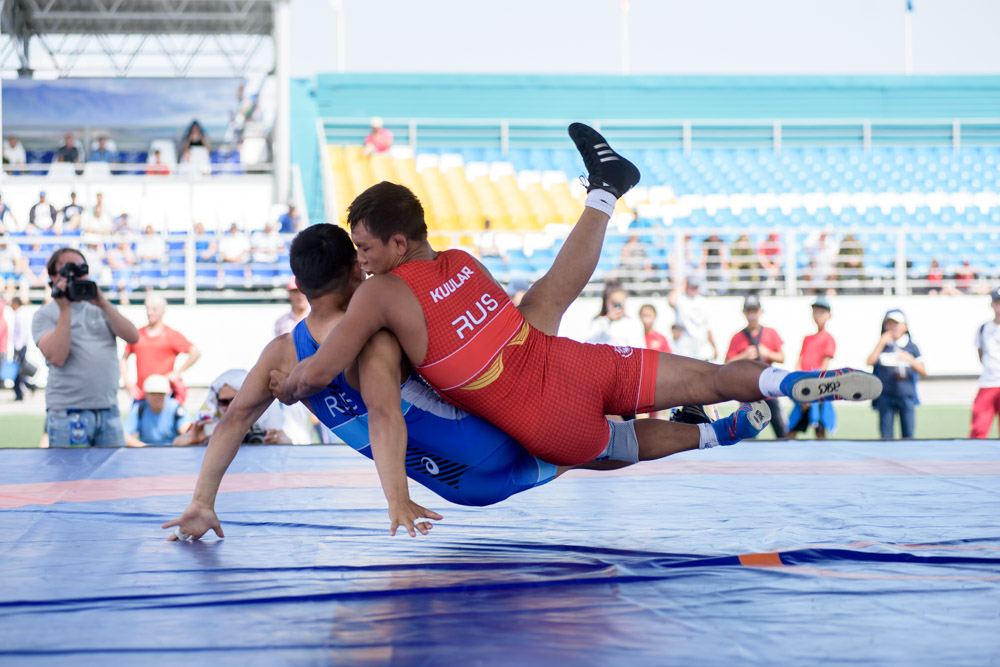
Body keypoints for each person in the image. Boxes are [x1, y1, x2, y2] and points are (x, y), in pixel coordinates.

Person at [164, 125, 777, 542]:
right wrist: (394, 499)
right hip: (491, 444)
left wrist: (204, 498)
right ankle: (709, 423)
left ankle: (709, 431)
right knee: (580, 422)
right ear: (357, 267)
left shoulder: (281, 351)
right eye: (363, 254)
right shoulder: (375, 331)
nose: (372, 261)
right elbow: (383, 415)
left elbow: (236, 418)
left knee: (574, 405)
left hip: (461, 480)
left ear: (299, 284)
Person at [271, 124, 879, 471]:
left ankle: (711, 437)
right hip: (574, 363)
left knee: (620, 449)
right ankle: (780, 382)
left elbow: (320, 371)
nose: (360, 259)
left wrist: (286, 384)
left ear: (398, 244)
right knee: (710, 377)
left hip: (545, 417)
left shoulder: (380, 292)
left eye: (366, 247)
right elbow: (516, 317)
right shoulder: (462, 261)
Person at [32, 248, 139, 446]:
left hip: (108, 410)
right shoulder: (44, 315)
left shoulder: (101, 308)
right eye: (68, 269)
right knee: (70, 476)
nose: (77, 276)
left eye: (81, 269)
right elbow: (57, 356)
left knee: (113, 477)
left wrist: (103, 303)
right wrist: (65, 309)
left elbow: (132, 336)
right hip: (68, 414)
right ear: (54, 277)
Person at [172, 369, 290, 447]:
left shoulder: (265, 418)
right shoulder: (210, 422)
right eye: (224, 401)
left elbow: (289, 444)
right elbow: (176, 443)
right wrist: (192, 439)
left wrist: (279, 441)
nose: (230, 407)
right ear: (216, 401)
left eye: (235, 400)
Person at [724, 294, 787, 438]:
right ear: (744, 313)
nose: (752, 316)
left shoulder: (770, 333)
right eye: (749, 311)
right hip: (747, 392)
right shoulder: (737, 337)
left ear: (761, 312)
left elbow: (782, 357)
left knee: (782, 432)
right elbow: (726, 363)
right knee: (746, 434)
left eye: (755, 311)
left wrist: (767, 353)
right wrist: (743, 356)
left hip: (769, 393)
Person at [121, 294, 200, 405]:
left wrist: (177, 372)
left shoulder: (171, 335)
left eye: (154, 309)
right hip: (141, 396)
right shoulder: (138, 334)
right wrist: (127, 381)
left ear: (162, 311)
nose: (150, 312)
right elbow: (124, 358)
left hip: (163, 395)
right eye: (148, 309)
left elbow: (195, 352)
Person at [866, 309, 927, 439]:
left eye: (896, 324)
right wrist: (881, 343)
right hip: (886, 396)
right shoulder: (883, 346)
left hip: (906, 396)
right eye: (889, 324)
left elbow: (924, 371)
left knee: (908, 434)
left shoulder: (911, 347)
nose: (893, 328)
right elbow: (869, 361)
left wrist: (910, 360)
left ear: (904, 327)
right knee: (886, 435)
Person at [787, 297, 837, 439]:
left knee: (819, 430)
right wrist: (800, 390)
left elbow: (823, 368)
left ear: (829, 315)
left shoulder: (828, 338)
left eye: (822, 312)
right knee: (792, 428)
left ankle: (823, 460)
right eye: (816, 312)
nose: (818, 315)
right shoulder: (807, 338)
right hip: (803, 388)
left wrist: (810, 393)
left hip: (817, 390)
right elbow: (799, 364)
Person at [123, 375, 190, 447]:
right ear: (146, 394)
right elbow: (125, 436)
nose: (157, 397)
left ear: (167, 394)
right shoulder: (139, 409)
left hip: (172, 451)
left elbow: (187, 431)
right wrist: (147, 448)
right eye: (153, 393)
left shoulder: (176, 408)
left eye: (161, 394)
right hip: (146, 453)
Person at [970, 287, 1000, 438]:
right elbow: (981, 355)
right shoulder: (983, 328)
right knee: (978, 430)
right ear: (992, 305)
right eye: (997, 303)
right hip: (988, 383)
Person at [668, 275, 717, 361]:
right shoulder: (681, 300)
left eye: (696, 287)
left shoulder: (704, 302)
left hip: (702, 350)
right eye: (692, 286)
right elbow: (671, 300)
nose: (694, 289)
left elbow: (708, 328)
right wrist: (681, 284)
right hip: (685, 350)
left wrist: (714, 347)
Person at [585, 280, 645, 348]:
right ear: (606, 302)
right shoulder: (598, 322)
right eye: (614, 303)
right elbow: (589, 344)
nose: (617, 307)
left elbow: (639, 348)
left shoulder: (633, 323)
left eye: (620, 303)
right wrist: (607, 320)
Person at [9, 297, 38, 400]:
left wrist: (18, 348)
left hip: (19, 347)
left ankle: (21, 392)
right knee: (19, 370)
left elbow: (21, 333)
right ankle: (27, 388)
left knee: (17, 370)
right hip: (20, 346)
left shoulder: (20, 315)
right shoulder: (19, 314)